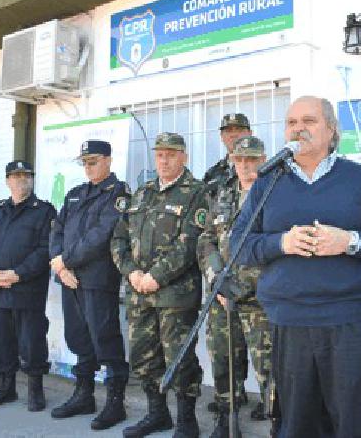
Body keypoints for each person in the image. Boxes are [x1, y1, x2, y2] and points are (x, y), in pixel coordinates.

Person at [229, 96, 361, 437]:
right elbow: (238, 245)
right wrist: (281, 243)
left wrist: (350, 241)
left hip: (350, 323)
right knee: (297, 424)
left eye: (308, 121)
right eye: (291, 122)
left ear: (331, 129)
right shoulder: (268, 183)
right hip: (289, 322)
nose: (298, 128)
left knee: (356, 423)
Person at [111, 132, 208, 438]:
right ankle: (158, 414)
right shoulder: (142, 194)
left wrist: (156, 276)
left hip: (175, 296)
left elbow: (191, 243)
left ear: (184, 157)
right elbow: (118, 239)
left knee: (180, 360)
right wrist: (132, 274)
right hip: (139, 294)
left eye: (171, 154)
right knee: (143, 358)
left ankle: (186, 422)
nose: (164, 160)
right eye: (160, 154)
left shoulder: (197, 193)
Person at [48, 140, 133, 431]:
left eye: (93, 161)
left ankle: (115, 402)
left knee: (105, 338)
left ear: (108, 160)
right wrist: (59, 264)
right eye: (84, 162)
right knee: (78, 338)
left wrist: (64, 261)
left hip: (98, 280)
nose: (88, 166)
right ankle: (84, 395)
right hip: (69, 278)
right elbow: (56, 230)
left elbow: (102, 235)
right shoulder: (75, 194)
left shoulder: (118, 193)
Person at [197, 135, 275, 437]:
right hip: (221, 296)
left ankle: (278, 424)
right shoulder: (223, 193)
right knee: (223, 361)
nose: (245, 165)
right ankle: (226, 419)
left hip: (260, 300)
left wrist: (240, 285)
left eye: (251, 159)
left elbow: (276, 250)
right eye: (239, 160)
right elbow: (206, 238)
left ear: (263, 159)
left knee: (270, 369)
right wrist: (215, 277)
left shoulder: (274, 195)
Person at [0, 161, 57, 411]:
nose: (21, 180)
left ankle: (35, 390)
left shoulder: (44, 211)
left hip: (26, 290)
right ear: (7, 181)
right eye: (16, 176)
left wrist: (17, 274)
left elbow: (45, 250)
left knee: (32, 342)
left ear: (32, 179)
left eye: (26, 176)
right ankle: (6, 389)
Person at [200, 112, 254, 415]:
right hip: (221, 278)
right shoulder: (213, 176)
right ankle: (228, 398)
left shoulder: (269, 170)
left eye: (239, 130)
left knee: (265, 350)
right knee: (222, 345)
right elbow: (206, 230)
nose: (233, 135)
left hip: (258, 284)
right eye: (228, 131)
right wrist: (213, 274)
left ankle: (273, 405)